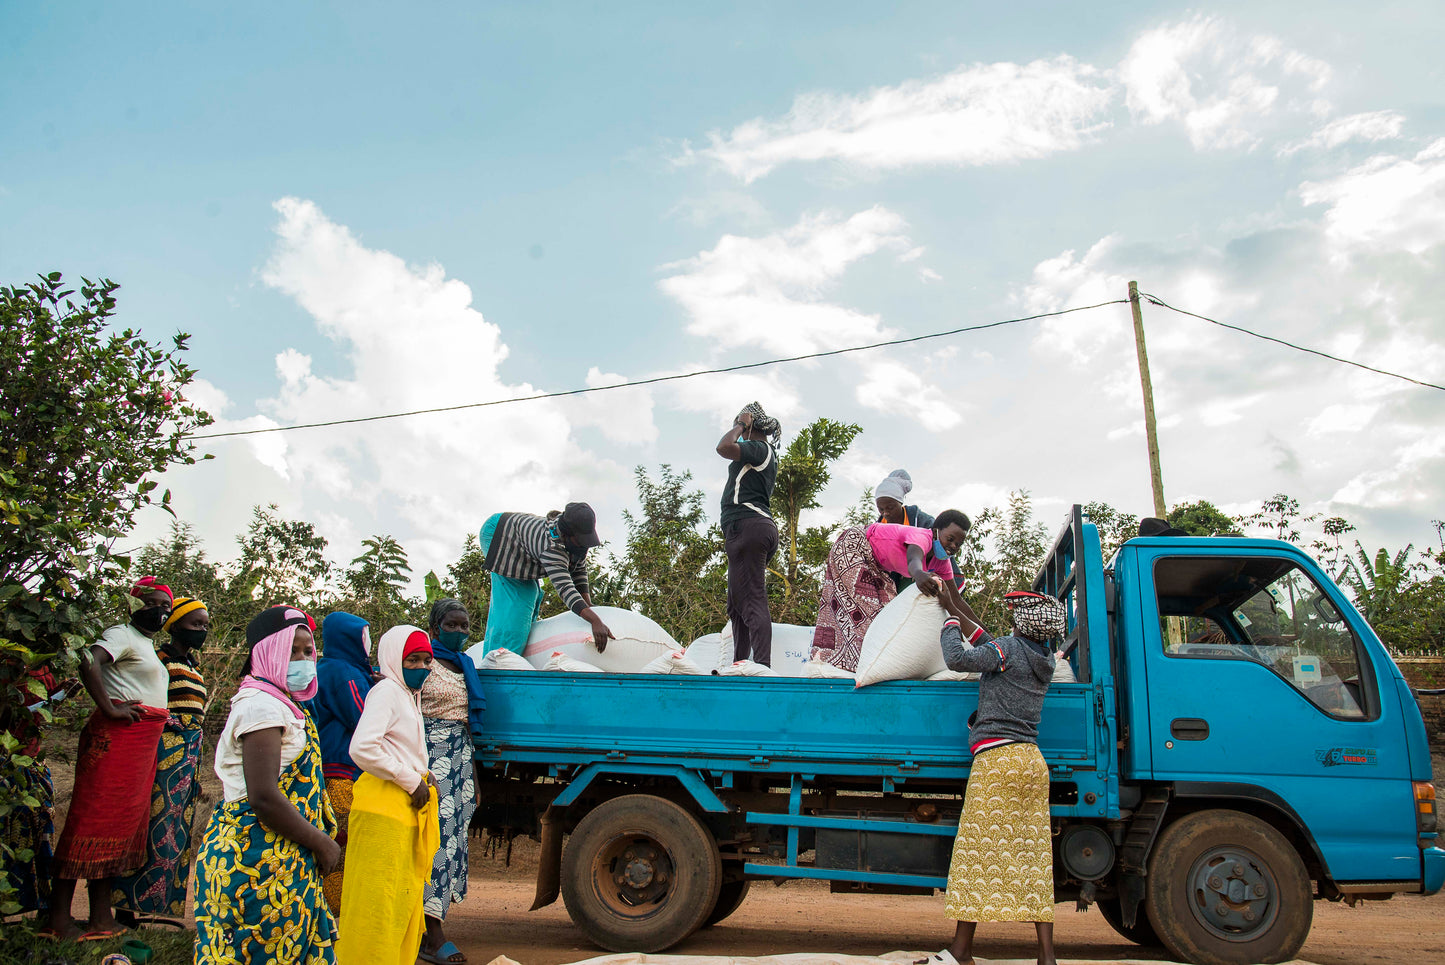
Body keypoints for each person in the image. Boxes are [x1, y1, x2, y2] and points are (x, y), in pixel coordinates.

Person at [918, 590, 1068, 965]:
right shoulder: (1044, 658)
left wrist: (949, 622)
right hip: (1031, 763)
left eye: (1015, 613)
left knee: (975, 854)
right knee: (1033, 856)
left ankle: (960, 953)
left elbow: (957, 659)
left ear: (1022, 622)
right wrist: (956, 606)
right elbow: (990, 643)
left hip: (997, 763)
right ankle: (1047, 957)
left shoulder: (1007, 651)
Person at [193, 605, 339, 965]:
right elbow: (263, 796)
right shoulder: (261, 708)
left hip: (282, 857)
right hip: (255, 862)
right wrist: (322, 842)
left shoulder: (281, 704)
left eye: (308, 651)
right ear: (268, 652)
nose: (304, 659)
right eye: (292, 651)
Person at [45, 576, 173, 941]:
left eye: (165, 606)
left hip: (137, 747)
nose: (159, 611)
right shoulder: (121, 633)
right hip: (116, 741)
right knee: (91, 823)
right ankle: (58, 918)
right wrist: (109, 707)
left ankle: (100, 917)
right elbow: (89, 660)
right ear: (133, 604)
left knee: (115, 827)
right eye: (151, 602)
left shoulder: (145, 644)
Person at [336, 625, 440, 965]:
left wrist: (425, 773)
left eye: (427, 660)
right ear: (396, 659)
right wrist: (410, 779)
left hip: (401, 811)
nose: (423, 667)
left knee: (398, 906)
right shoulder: (387, 693)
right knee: (377, 908)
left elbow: (400, 747)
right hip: (384, 811)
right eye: (413, 659)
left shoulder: (407, 695)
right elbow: (362, 748)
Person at [113, 595, 211, 926]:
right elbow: (153, 702)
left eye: (205, 625)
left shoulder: (194, 667)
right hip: (161, 752)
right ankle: (124, 908)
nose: (202, 630)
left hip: (186, 758)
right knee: (147, 827)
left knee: (172, 830)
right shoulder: (161, 660)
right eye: (195, 624)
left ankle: (155, 907)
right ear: (174, 625)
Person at [812, 511, 978, 672]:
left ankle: (865, 665)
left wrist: (986, 636)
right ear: (936, 531)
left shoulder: (942, 562)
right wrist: (919, 574)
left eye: (958, 544)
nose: (953, 546)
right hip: (853, 545)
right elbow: (914, 559)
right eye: (950, 539)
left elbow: (957, 601)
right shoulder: (922, 537)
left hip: (875, 564)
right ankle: (853, 665)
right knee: (866, 612)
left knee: (888, 615)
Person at [419, 600, 487, 965]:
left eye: (465, 626)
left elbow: (464, 724)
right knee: (434, 845)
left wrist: (473, 778)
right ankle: (432, 936)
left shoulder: (464, 665)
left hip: (459, 760)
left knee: (453, 845)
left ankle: (427, 927)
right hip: (427, 759)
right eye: (452, 624)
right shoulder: (420, 661)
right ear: (435, 627)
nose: (460, 632)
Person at [306, 610, 374, 915]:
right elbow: (364, 718)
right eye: (364, 637)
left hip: (335, 769)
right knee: (343, 844)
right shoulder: (344, 673)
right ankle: (337, 917)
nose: (368, 643)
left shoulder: (336, 668)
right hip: (342, 773)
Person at [477, 503, 613, 655]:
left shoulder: (576, 542)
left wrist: (588, 605)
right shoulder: (551, 547)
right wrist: (594, 620)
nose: (584, 545)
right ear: (566, 534)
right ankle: (497, 663)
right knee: (519, 599)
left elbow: (579, 569)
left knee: (533, 596)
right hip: (500, 536)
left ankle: (518, 650)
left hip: (515, 534)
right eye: (581, 540)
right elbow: (565, 588)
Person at [0, 661, 77, 917]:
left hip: (32, 763)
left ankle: (43, 909)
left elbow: (39, 719)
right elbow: (10, 715)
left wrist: (57, 697)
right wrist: (52, 699)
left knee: (41, 834)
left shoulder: (44, 669)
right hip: (8, 763)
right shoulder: (9, 665)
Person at [716, 402, 781, 665]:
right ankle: (740, 664)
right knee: (737, 604)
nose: (739, 434)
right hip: (748, 529)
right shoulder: (765, 453)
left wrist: (740, 424)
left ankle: (762, 668)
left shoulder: (758, 448)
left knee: (752, 599)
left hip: (748, 527)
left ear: (750, 426)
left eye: (742, 428)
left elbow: (723, 447)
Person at [874, 469, 964, 592]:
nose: (886, 513)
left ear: (900, 502)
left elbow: (940, 553)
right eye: (881, 509)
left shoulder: (923, 524)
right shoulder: (879, 528)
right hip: (896, 577)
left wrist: (920, 573)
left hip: (923, 574)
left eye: (890, 507)